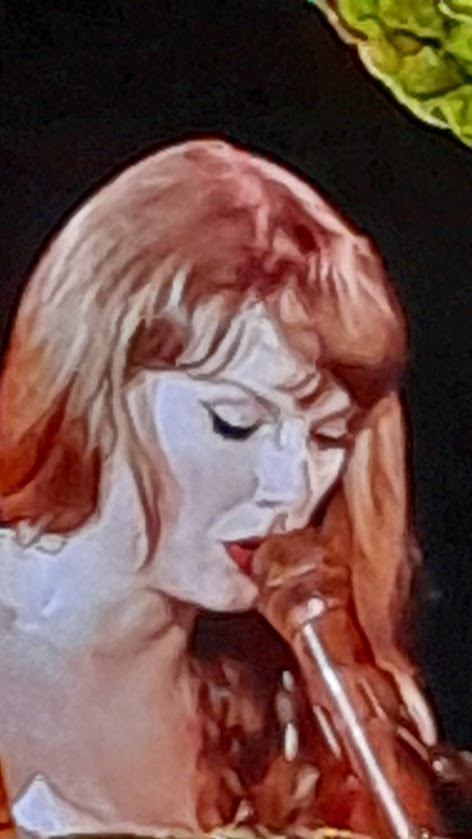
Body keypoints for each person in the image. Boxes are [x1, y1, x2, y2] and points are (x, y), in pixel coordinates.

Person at [0, 137, 449, 836]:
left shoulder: (298, 706)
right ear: (92, 387)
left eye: (327, 438)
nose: (291, 491)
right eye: (234, 423)